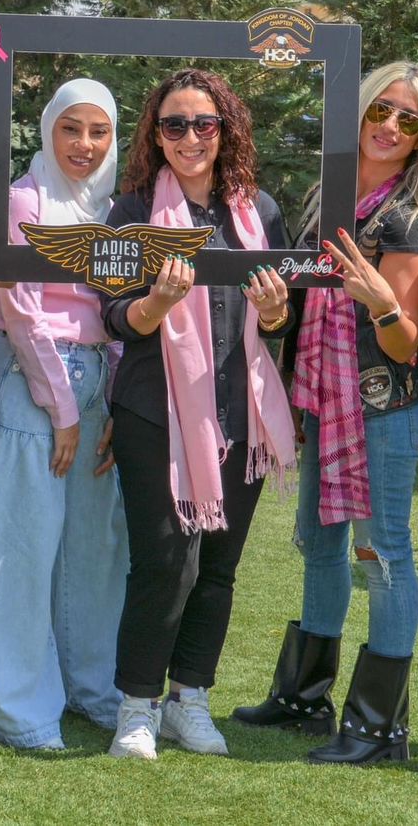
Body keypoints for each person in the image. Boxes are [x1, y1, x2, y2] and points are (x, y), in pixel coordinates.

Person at [231, 63, 418, 766]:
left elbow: (405, 342)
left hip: (382, 408)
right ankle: (303, 697)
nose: (390, 126)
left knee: (383, 555)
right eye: (381, 110)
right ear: (358, 112)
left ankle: (378, 729)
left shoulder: (407, 218)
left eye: (410, 120)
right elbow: (293, 311)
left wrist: (379, 301)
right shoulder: (326, 200)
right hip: (323, 398)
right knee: (318, 544)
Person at [100, 67, 296, 761]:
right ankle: (136, 707)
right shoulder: (130, 213)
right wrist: (154, 304)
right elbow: (114, 317)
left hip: (240, 413)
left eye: (203, 123)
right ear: (156, 135)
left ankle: (191, 699)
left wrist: (275, 312)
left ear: (225, 130)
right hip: (155, 414)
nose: (190, 137)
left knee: (217, 567)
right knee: (164, 564)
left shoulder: (259, 212)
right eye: (175, 125)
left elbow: (279, 320)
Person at [0, 78, 127, 750]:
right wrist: (61, 405)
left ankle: (92, 687)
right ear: (48, 129)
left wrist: (115, 397)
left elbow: (118, 307)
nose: (84, 144)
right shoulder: (24, 200)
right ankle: (15, 710)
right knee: (22, 545)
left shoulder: (112, 209)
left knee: (96, 550)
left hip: (97, 382)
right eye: (71, 128)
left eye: (99, 131)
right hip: (34, 381)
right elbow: (19, 308)